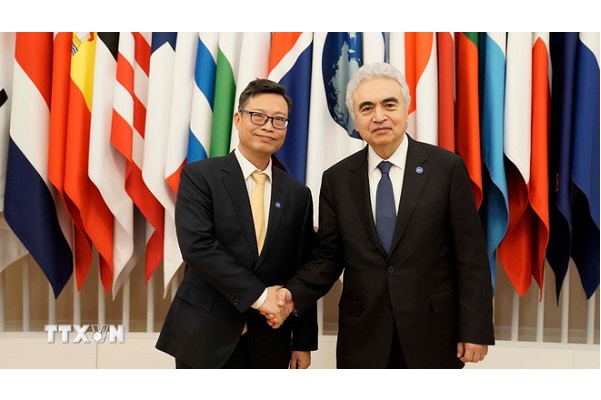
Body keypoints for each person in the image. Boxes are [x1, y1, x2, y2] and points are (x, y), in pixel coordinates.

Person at [266, 62, 495, 368]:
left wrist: (475, 329)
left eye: (389, 104)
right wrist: (292, 295)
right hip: (364, 337)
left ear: (406, 109)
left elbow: (470, 255)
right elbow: (328, 257)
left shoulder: (446, 168)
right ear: (355, 118)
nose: (379, 116)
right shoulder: (337, 179)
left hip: (434, 333)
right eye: (366, 108)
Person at [156, 78, 317, 369]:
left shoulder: (298, 194)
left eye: (279, 120)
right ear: (238, 119)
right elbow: (198, 247)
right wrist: (260, 296)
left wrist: (302, 342)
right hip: (205, 333)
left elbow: (303, 269)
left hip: (271, 338)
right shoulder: (200, 177)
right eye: (258, 116)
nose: (268, 126)